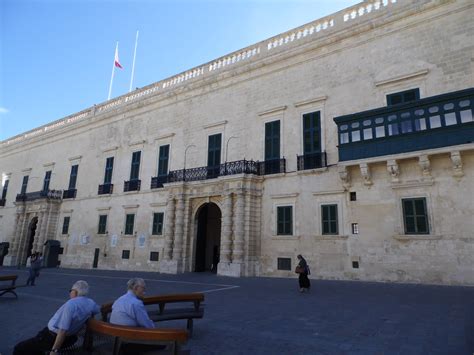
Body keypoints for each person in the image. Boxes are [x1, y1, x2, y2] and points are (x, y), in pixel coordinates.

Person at [13, 280, 100, 355]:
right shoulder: (91, 303)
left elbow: (62, 330)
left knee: (19, 348)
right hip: (70, 338)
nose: (70, 293)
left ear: (75, 292)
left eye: (71, 290)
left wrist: (54, 350)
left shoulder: (71, 305)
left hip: (51, 337)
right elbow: (97, 310)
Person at [110, 278, 164, 354]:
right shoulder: (136, 303)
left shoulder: (119, 299)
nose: (144, 292)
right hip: (129, 342)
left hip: (116, 337)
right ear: (135, 288)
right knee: (164, 342)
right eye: (143, 288)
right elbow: (147, 325)